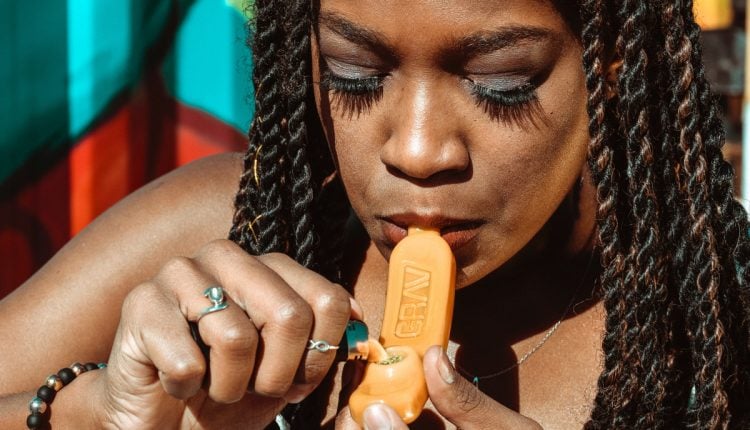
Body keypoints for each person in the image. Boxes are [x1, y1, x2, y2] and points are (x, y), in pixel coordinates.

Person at [1, 0, 748, 428]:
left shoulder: (721, 319)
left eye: (502, 82)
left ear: (612, 64)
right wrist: (98, 412)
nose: (418, 151)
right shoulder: (216, 230)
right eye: (354, 75)